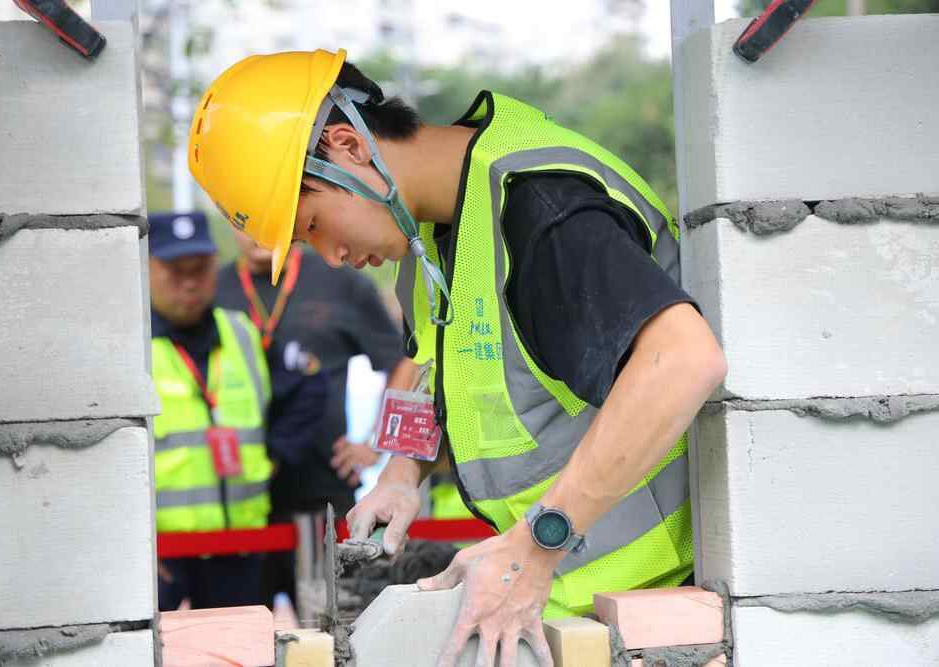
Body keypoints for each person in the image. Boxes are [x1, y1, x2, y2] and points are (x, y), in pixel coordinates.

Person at [187, 50, 727, 664]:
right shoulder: (428, 238)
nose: (331, 257)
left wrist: (536, 545)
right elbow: (438, 374)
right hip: (573, 615)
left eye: (312, 225)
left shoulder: (538, 208)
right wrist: (400, 473)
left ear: (348, 147)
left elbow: (683, 360)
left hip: (663, 616)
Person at [148, 210, 323, 611]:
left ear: (215, 266)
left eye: (199, 268)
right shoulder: (129, 346)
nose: (189, 281)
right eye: (175, 270)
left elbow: (309, 387)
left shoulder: (242, 333)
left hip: (240, 548)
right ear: (148, 270)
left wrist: (273, 456)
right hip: (161, 555)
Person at [216, 227, 417, 516]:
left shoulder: (338, 282)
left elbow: (403, 361)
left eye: (268, 218)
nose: (259, 231)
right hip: (241, 493)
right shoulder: (214, 290)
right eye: (245, 220)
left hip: (325, 485)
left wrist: (376, 442)